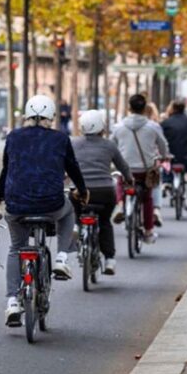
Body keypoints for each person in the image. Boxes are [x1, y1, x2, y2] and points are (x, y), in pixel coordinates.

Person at [0, 95, 87, 326]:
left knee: (16, 247)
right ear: (52, 117)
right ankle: (61, 257)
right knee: (68, 212)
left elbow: (7, 169)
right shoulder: (60, 138)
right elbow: (72, 168)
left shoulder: (14, 137)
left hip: (16, 205)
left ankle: (12, 302)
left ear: (26, 116)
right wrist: (83, 191)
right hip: (51, 204)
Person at [71, 110, 134, 275]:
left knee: (75, 210)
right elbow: (123, 167)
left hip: (80, 191)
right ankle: (110, 260)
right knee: (105, 222)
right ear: (101, 127)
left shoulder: (73, 144)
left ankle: (77, 226)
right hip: (105, 191)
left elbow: (65, 165)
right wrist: (129, 179)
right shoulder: (109, 145)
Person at [111, 94, 170, 244]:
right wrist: (164, 157)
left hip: (127, 169)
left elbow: (112, 146)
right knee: (147, 198)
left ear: (129, 108)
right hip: (145, 170)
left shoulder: (119, 127)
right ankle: (148, 232)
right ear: (145, 108)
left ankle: (120, 205)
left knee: (121, 180)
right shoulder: (153, 127)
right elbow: (163, 146)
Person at [160, 99, 187, 210]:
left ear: (173, 109)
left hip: (171, 156)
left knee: (165, 162)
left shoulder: (166, 123)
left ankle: (166, 181)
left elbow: (160, 139)